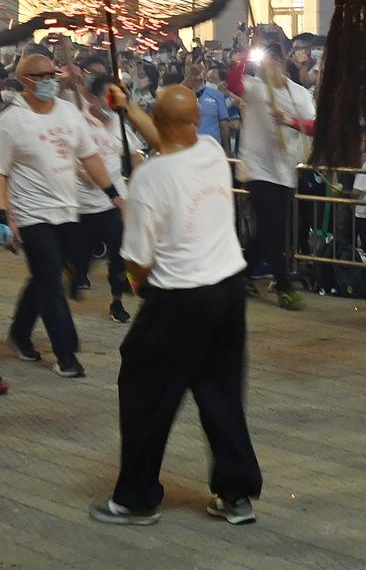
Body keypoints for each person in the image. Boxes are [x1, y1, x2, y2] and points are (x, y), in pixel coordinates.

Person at [89, 85, 262, 526]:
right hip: (227, 289)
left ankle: (136, 498)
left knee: (145, 388)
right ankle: (236, 493)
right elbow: (169, 135)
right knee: (220, 390)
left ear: (160, 124)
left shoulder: (150, 178)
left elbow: (138, 259)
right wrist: (127, 108)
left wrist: (136, 284)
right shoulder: (209, 149)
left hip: (181, 298)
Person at [0, 54, 120, 378]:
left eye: (51, 74)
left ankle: (20, 334)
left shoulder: (68, 112)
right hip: (32, 214)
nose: (48, 81)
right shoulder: (11, 121)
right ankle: (67, 355)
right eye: (40, 77)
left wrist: (113, 194)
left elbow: (89, 156)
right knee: (51, 281)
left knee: (45, 276)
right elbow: (1, 173)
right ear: (24, 79)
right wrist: (5, 216)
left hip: (69, 211)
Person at [227, 43, 315, 310]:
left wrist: (288, 120)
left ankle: (240, 271)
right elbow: (233, 83)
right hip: (257, 169)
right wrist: (244, 57)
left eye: (276, 61)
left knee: (270, 229)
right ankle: (283, 285)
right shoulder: (254, 87)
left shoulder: (298, 94)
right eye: (267, 61)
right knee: (272, 225)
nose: (271, 66)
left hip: (285, 169)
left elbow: (313, 126)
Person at [71, 75, 143, 323]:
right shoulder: (78, 123)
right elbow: (66, 157)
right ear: (91, 96)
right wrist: (82, 172)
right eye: (107, 95)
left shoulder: (118, 122)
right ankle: (76, 271)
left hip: (114, 202)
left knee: (118, 255)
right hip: (82, 205)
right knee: (81, 257)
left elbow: (134, 154)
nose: (111, 101)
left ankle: (116, 301)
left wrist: (137, 173)